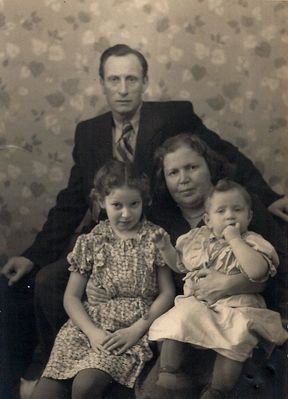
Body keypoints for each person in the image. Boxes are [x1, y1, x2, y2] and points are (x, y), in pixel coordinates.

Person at [1, 44, 287, 398]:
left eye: (131, 79)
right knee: (46, 281)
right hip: (107, 240)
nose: (122, 88)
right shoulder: (88, 132)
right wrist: (33, 253)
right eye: (114, 80)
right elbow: (72, 199)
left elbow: (224, 156)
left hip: (149, 237)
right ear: (102, 83)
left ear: (144, 82)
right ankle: (47, 363)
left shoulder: (173, 118)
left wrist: (270, 197)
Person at [134, 133, 287, 399]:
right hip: (189, 321)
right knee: (158, 390)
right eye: (173, 172)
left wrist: (232, 282)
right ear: (165, 179)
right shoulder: (161, 219)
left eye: (192, 167)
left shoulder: (239, 206)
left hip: (240, 314)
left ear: (209, 167)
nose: (184, 179)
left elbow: (279, 266)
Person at [31, 160, 175, 399]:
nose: (126, 213)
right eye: (117, 205)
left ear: (144, 202)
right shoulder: (92, 240)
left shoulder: (154, 238)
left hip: (127, 331)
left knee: (85, 387)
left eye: (134, 204)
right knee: (44, 394)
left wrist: (137, 330)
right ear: (101, 202)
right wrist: (91, 331)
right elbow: (72, 297)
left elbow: (167, 293)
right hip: (87, 328)